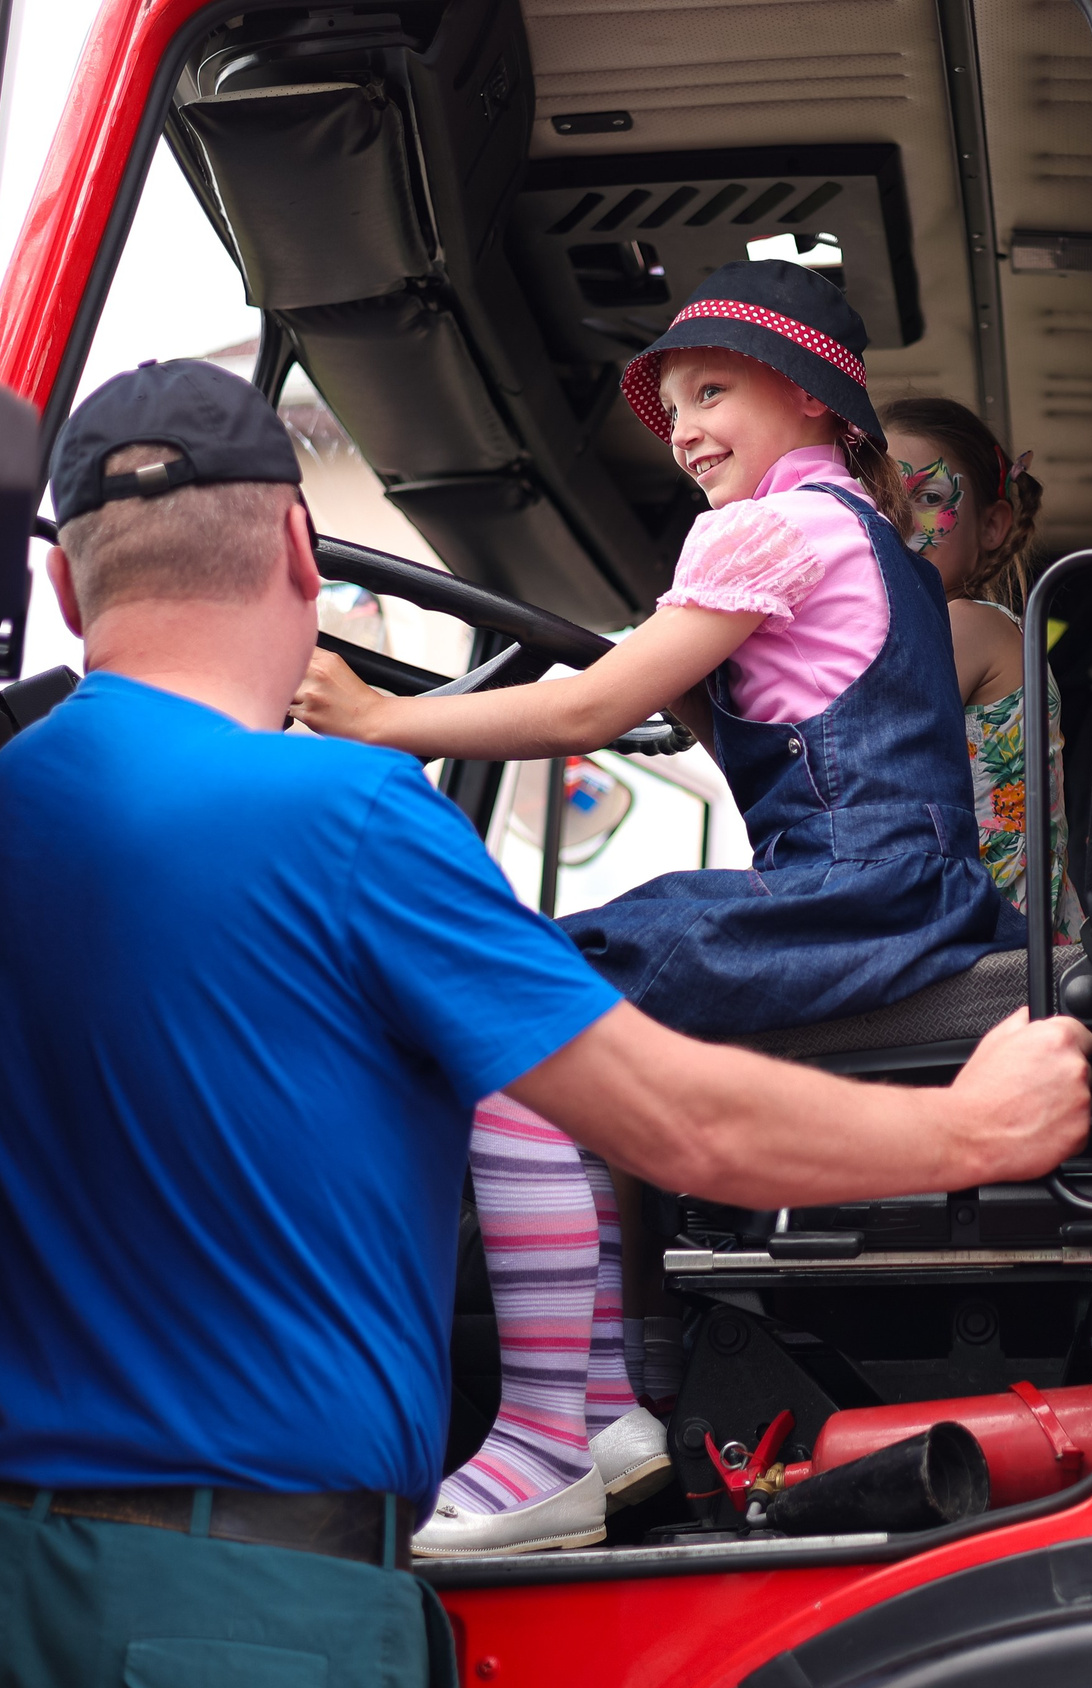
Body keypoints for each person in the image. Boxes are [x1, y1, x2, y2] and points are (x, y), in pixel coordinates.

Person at [0, 359, 1090, 1688]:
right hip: (236, 1621)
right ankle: (571, 1417)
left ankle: (602, 1401)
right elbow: (669, 1116)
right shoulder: (347, 815)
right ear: (298, 545)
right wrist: (972, 1125)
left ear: (66, 589)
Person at [291, 262, 1038, 1550]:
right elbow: (710, 706)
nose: (683, 426)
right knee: (575, 1019)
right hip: (901, 889)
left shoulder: (768, 530)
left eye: (711, 389)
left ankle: (542, 1439)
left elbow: (590, 712)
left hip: (850, 893)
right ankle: (613, 1409)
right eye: (671, 402)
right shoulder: (867, 548)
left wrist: (376, 718)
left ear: (810, 397)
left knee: (508, 1020)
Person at [882, 397, 1087, 941]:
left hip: (994, 953)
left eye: (926, 498)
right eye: (875, 499)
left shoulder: (965, 625)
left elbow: (845, 755)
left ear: (992, 525)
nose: (895, 520)